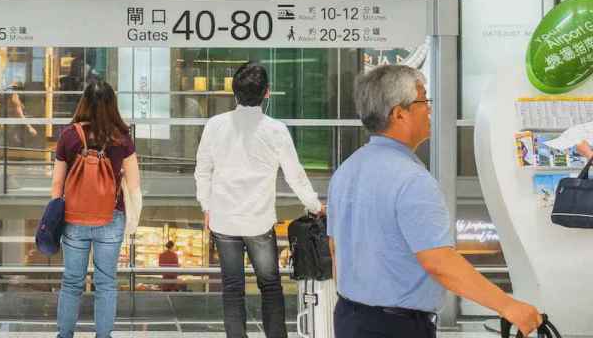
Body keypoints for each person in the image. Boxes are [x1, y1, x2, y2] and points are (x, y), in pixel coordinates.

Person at [328, 65, 542, 338]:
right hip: (396, 327)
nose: (429, 109)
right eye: (423, 100)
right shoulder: (412, 180)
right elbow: (439, 262)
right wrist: (508, 305)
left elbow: (335, 248)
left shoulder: (348, 169)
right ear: (399, 113)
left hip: (349, 317)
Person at [194, 61, 323, 338]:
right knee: (270, 285)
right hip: (258, 221)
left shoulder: (215, 125)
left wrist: (207, 206)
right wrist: (314, 206)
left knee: (232, 287)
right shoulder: (275, 130)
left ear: (234, 92)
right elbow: (295, 176)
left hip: (224, 220)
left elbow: (202, 171)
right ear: (267, 93)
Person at [51, 80, 141, 338]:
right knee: (105, 283)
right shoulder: (122, 138)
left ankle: (65, 334)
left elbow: (57, 184)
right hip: (110, 218)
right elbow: (134, 184)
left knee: (71, 282)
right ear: (112, 105)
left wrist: (56, 216)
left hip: (74, 219)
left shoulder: (69, 135)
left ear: (84, 102)